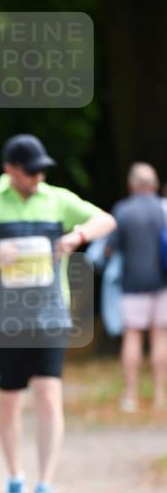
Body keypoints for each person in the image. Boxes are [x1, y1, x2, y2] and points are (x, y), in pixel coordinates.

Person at [0, 135, 116, 493]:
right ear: (10, 170)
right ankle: (14, 478)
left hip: (51, 314)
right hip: (7, 318)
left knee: (50, 395)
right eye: (31, 171)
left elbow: (106, 220)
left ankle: (45, 484)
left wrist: (77, 236)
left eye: (42, 170)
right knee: (9, 401)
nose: (38, 177)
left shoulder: (57, 199)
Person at [106, 162, 167, 413]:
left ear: (132, 184)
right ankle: (160, 396)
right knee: (160, 336)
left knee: (132, 335)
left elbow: (109, 249)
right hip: (163, 283)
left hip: (132, 284)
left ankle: (130, 396)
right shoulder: (163, 209)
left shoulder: (123, 211)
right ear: (154, 184)